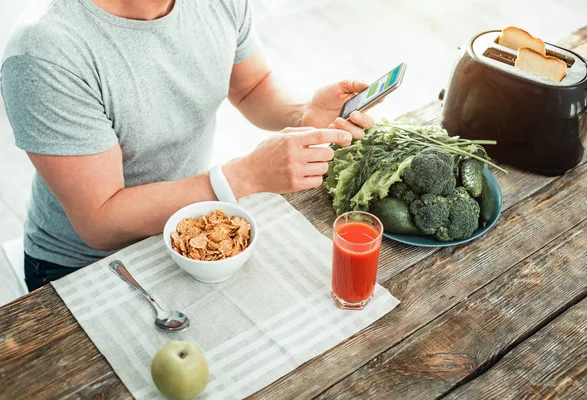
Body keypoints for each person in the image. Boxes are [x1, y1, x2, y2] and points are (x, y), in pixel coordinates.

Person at [0, 0, 375, 292]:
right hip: (84, 266)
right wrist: (244, 176)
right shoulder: (44, 52)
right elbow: (101, 221)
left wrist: (305, 113)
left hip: (191, 228)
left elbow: (251, 86)